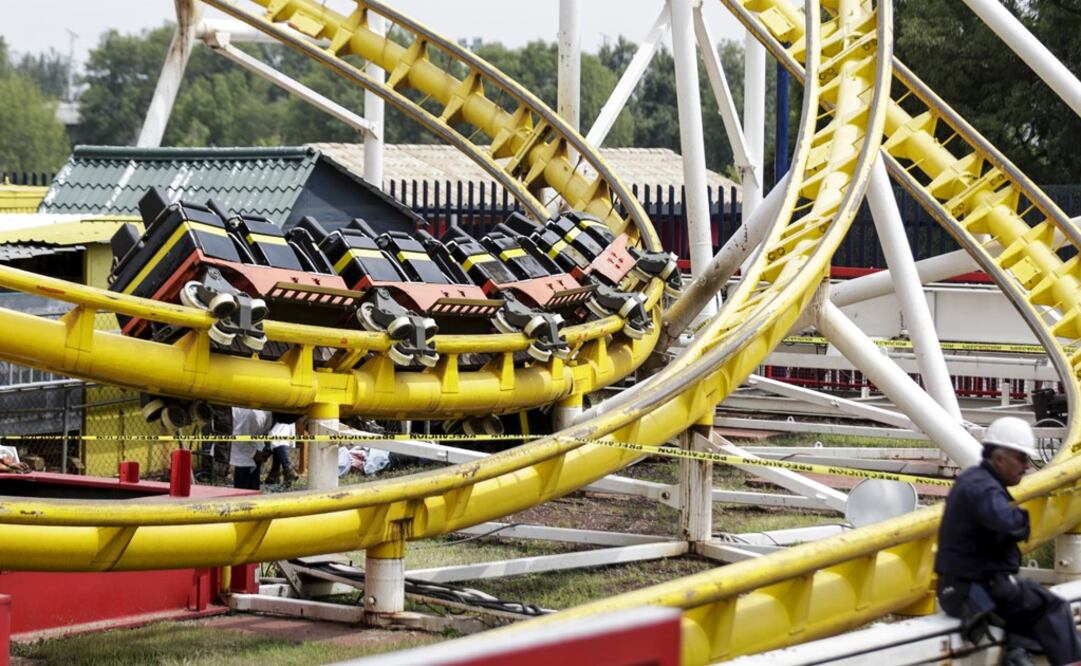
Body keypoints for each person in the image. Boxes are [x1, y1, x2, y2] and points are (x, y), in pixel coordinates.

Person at [935, 416, 1081, 666]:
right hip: (974, 591)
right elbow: (1007, 523)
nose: (1026, 466)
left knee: (1029, 615)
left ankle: (1017, 654)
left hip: (961, 590)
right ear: (1000, 458)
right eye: (1022, 458)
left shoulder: (975, 480)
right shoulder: (984, 488)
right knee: (1052, 608)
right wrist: (1021, 519)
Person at [230, 407, 272, 490]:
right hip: (237, 434)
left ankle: (252, 495)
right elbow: (239, 438)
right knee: (243, 465)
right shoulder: (255, 416)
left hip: (250, 436)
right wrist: (255, 453)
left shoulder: (265, 415)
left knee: (253, 475)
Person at [264, 412, 300, 487]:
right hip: (284, 412)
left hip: (281, 412)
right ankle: (275, 473)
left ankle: (287, 468)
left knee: (277, 437)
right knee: (278, 438)